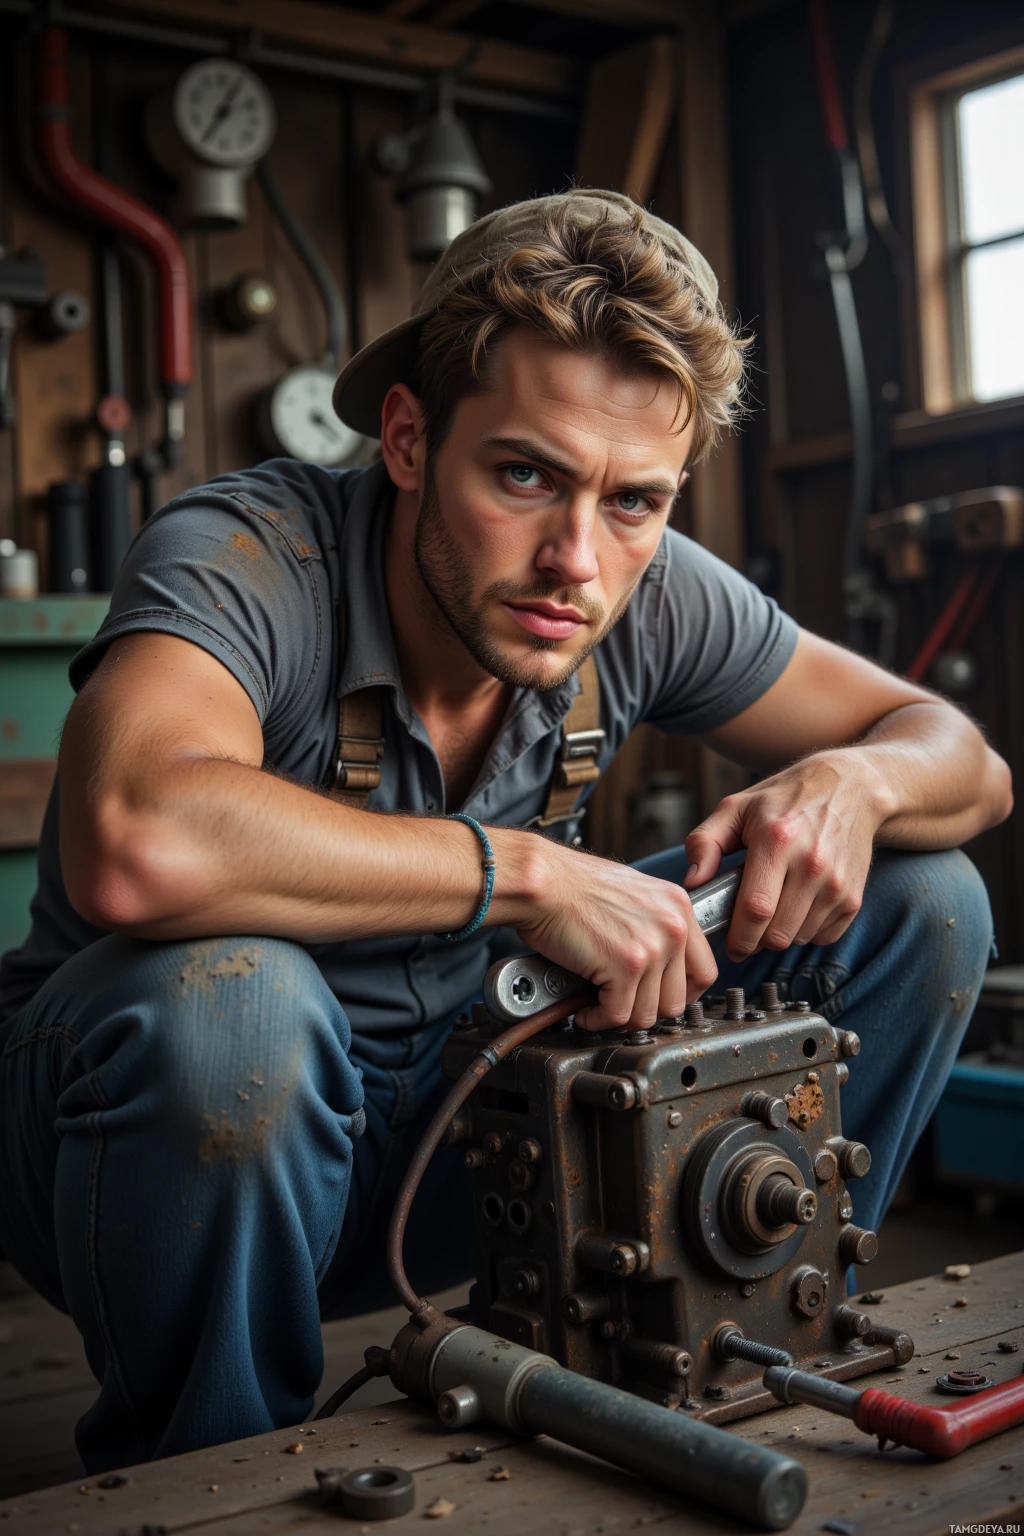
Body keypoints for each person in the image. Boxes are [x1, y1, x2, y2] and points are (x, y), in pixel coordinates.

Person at [0, 189, 1010, 1473]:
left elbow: (963, 760)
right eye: (523, 475)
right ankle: (213, 1474)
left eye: (634, 501)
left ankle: (731, 1335)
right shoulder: (246, 554)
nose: (574, 561)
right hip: (160, 1155)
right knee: (230, 1006)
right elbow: (134, 834)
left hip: (475, 1123)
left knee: (925, 895)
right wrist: (528, 874)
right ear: (410, 439)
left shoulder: (640, 582)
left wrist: (851, 788)